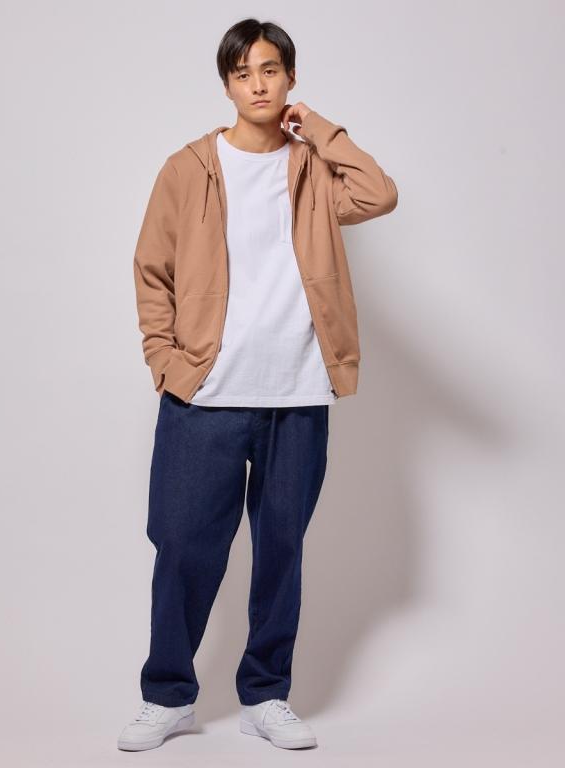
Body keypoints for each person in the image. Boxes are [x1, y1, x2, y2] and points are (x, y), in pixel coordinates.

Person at [118, 17, 398, 752]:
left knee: (281, 550)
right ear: (227, 85)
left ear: (290, 79)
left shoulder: (313, 170)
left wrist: (321, 131)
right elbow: (152, 270)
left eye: (270, 70)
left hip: (297, 394)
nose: (258, 85)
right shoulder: (188, 168)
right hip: (205, 395)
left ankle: (266, 694)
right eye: (243, 74)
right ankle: (168, 696)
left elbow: (379, 194)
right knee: (182, 546)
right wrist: (165, 360)